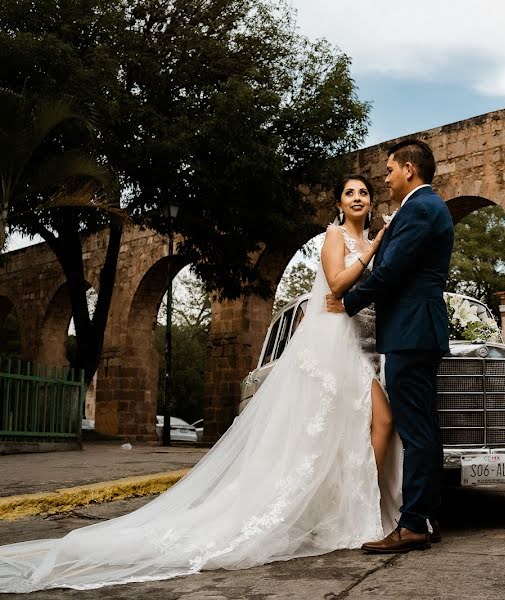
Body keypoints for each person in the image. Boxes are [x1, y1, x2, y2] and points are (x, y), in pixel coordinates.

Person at [0, 175, 402, 593]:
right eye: (350, 193)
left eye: (364, 193)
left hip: (361, 346)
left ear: (372, 204)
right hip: (332, 346)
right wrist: (373, 248)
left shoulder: (373, 239)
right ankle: (357, 508)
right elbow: (337, 284)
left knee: (343, 433)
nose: (358, 198)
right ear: (339, 203)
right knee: (355, 427)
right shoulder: (334, 236)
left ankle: (345, 507)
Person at [326, 139, 454, 553]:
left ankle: (413, 524)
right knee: (424, 429)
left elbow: (392, 272)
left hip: (411, 333)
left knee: (416, 432)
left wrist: (348, 303)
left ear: (408, 170)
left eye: (388, 169)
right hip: (416, 331)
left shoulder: (420, 209)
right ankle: (424, 516)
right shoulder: (426, 208)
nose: (385, 177)